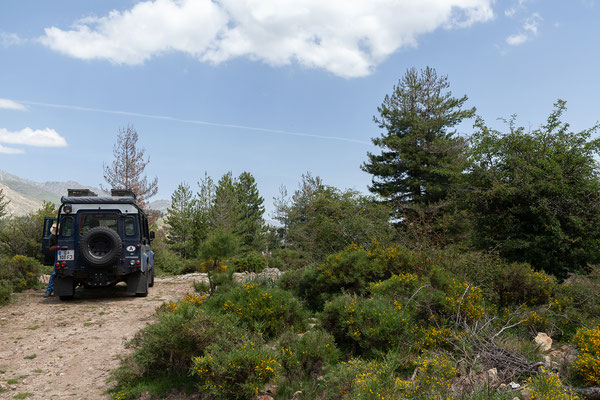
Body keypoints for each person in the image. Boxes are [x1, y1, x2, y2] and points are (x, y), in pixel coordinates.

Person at [44, 223, 59, 298]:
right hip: (59, 255)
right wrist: (57, 247)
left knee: (55, 272)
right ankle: (49, 290)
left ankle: (50, 290)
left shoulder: (66, 235)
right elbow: (50, 248)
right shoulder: (52, 237)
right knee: (54, 273)